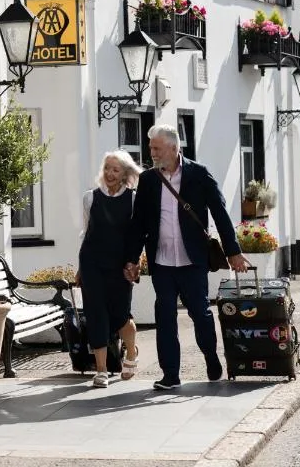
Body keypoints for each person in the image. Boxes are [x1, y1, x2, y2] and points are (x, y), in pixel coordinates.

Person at [124, 124, 250, 390]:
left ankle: (211, 357)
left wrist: (234, 251)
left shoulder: (198, 174)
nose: (152, 153)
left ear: (173, 147)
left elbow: (220, 213)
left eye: (156, 148)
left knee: (200, 313)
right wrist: (132, 259)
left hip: (193, 259)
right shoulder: (148, 180)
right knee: (165, 315)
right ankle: (171, 374)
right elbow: (138, 224)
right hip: (161, 261)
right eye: (150, 148)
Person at [75, 150, 143, 388]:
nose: (110, 174)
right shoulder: (90, 198)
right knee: (95, 315)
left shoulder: (134, 199)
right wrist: (80, 269)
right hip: (92, 263)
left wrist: (135, 261)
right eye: (107, 168)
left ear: (124, 173)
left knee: (120, 316)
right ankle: (101, 370)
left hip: (120, 265)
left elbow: (137, 235)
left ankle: (131, 353)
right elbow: (86, 233)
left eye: (115, 169)